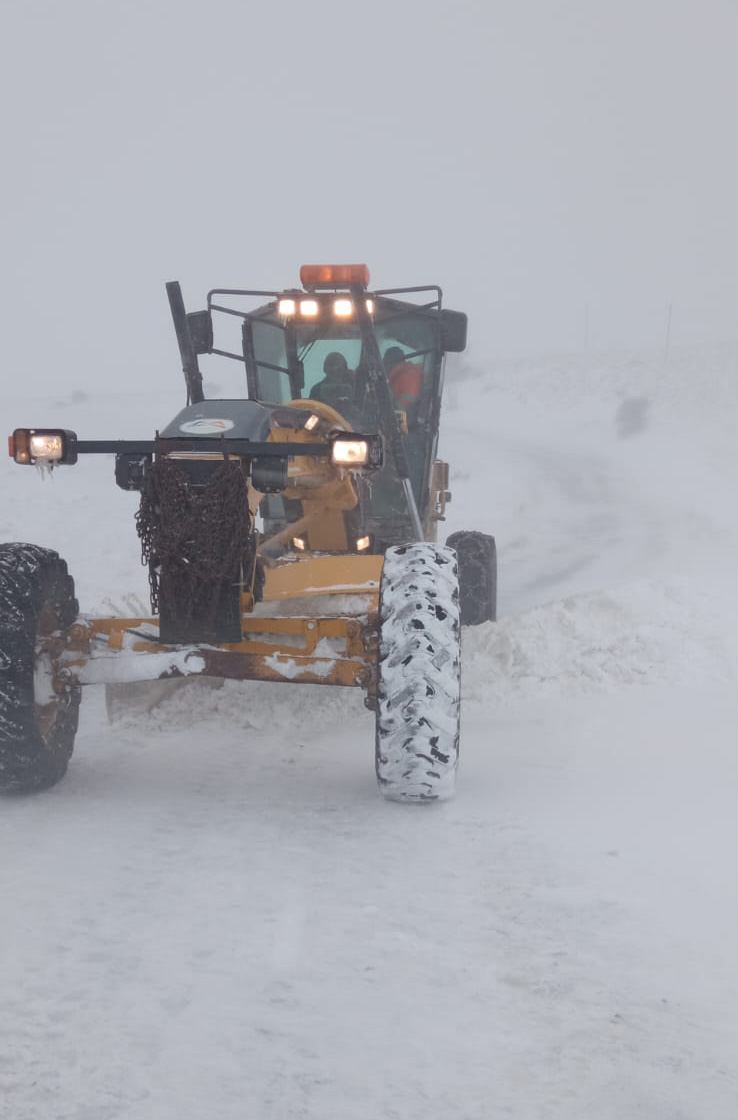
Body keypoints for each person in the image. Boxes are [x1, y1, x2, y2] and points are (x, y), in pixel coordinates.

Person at [310, 351, 358, 421]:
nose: (334, 368)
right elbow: (311, 413)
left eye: (336, 364)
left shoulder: (356, 387)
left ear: (345, 369)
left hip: (353, 429)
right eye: (330, 365)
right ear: (325, 369)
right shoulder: (317, 390)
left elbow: (362, 415)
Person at [383, 346, 423, 421]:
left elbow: (402, 409)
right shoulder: (398, 376)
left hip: (405, 426)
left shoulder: (409, 377)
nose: (384, 368)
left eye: (385, 363)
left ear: (391, 362)